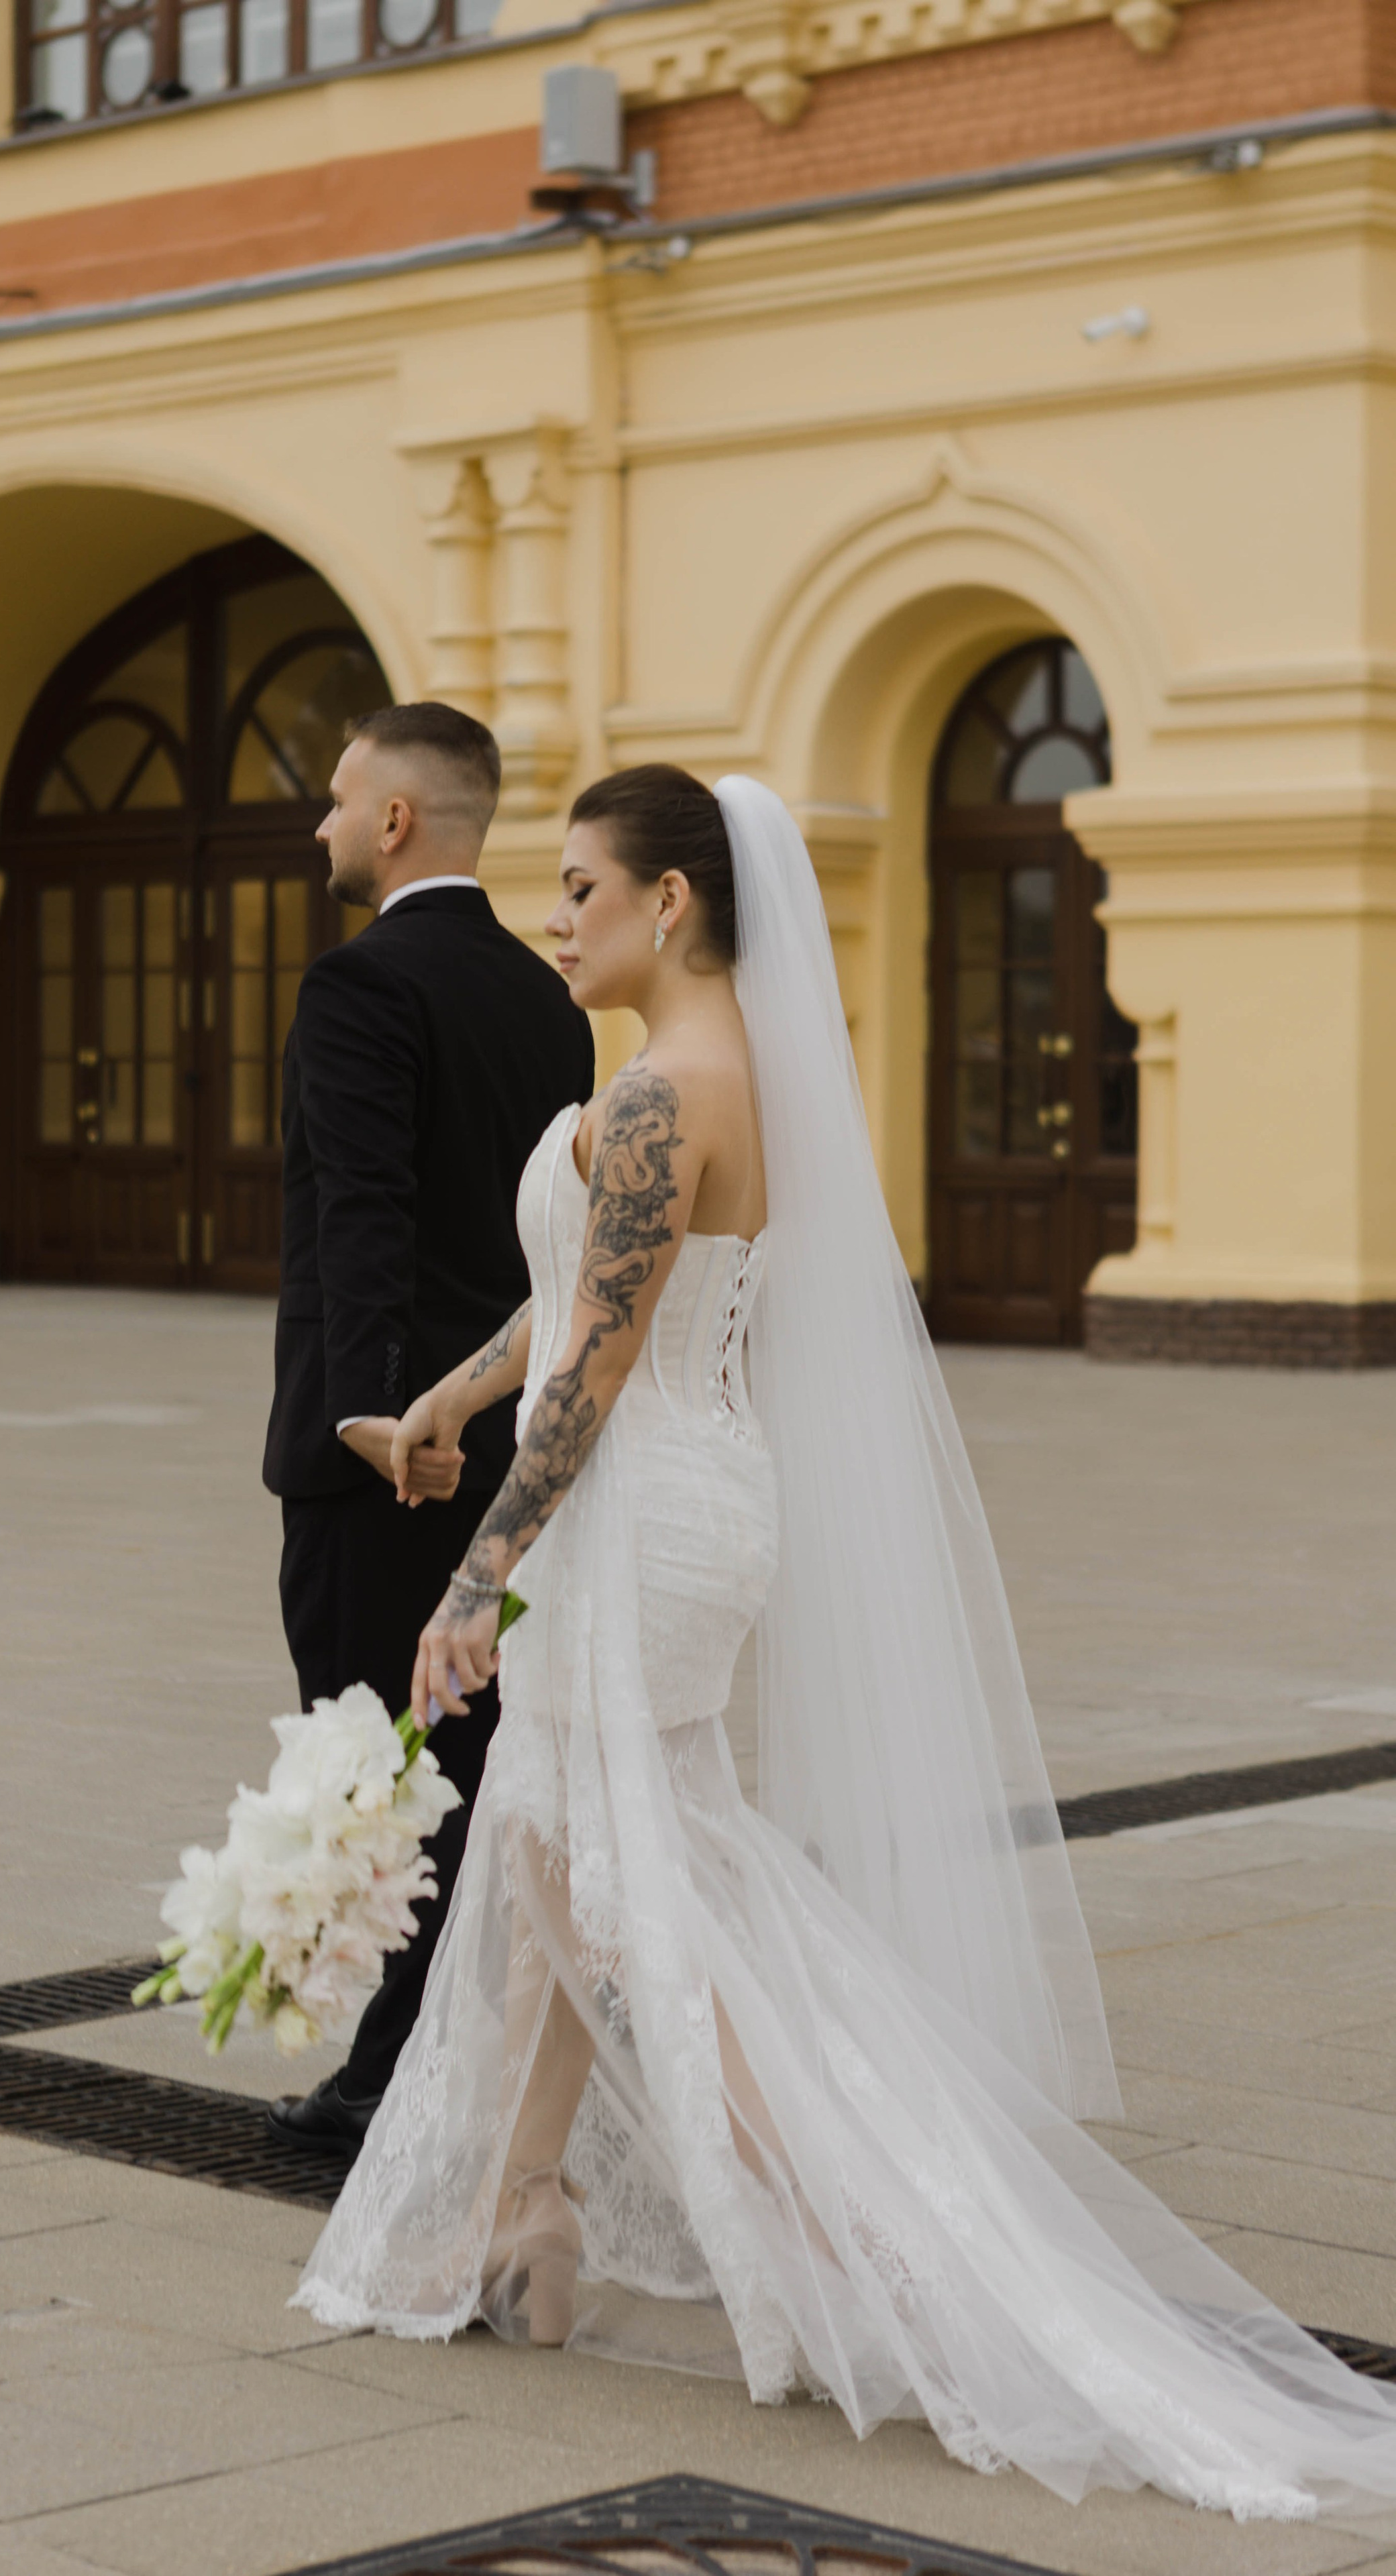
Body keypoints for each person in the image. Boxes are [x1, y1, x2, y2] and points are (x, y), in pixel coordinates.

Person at [292, 764, 1396, 2518]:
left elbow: (598, 1368)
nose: (553, 919)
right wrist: (444, 1395)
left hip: (640, 1512)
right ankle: (521, 2213)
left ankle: (878, 2248)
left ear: (670, 902)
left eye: (580, 888)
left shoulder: (663, 1095)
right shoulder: (729, 1074)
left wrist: (475, 1576)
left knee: (633, 1892)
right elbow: (576, 1304)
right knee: (576, 1860)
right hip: (675, 1498)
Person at [262, 702, 596, 2155]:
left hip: (388, 1461)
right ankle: (451, 2056)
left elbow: (364, 1212)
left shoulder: (358, 985)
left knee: (386, 1767)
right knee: (473, 1759)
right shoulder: (549, 1001)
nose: (323, 824)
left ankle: (391, 2080)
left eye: (339, 800)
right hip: (513, 1442)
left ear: (395, 821)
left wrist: (374, 1413)